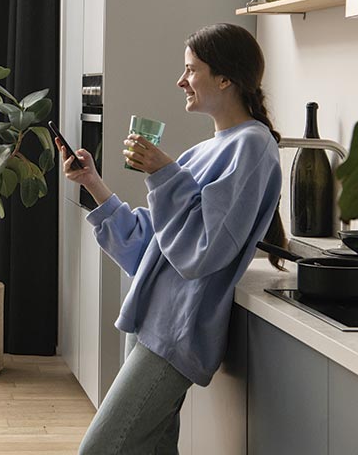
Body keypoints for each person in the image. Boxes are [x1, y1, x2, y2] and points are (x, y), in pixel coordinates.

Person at [57, 24, 285, 454]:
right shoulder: (206, 150)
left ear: (224, 78)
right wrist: (92, 182)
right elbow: (153, 247)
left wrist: (163, 173)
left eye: (190, 70)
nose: (181, 81)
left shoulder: (252, 147)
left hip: (176, 330)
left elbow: (202, 249)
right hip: (150, 321)